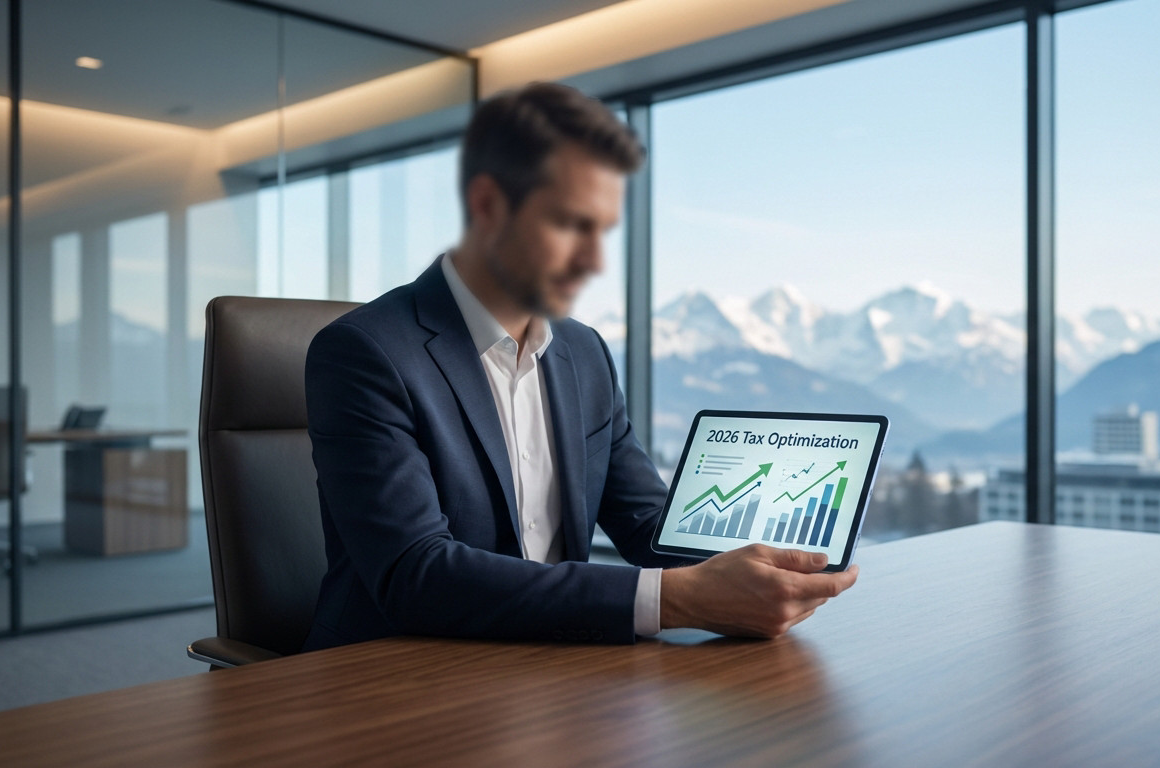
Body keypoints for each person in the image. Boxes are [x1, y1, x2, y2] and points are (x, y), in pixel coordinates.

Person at [302, 82, 858, 651]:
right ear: (488, 206)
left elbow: (646, 525)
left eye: (602, 231)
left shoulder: (584, 352)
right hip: (396, 674)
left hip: (557, 663)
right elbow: (416, 575)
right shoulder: (364, 353)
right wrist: (677, 599)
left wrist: (763, 566)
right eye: (571, 225)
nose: (594, 261)